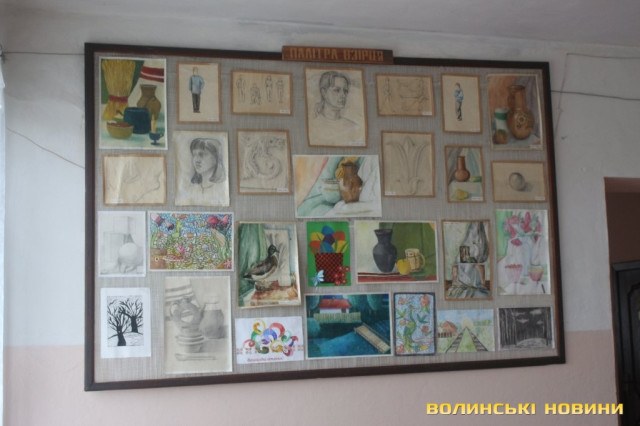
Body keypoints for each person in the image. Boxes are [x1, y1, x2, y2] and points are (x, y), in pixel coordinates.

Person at [309, 70, 364, 146]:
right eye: (337, 90)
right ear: (324, 92)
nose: (343, 95)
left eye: (345, 91)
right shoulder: (313, 126)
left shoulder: (353, 127)